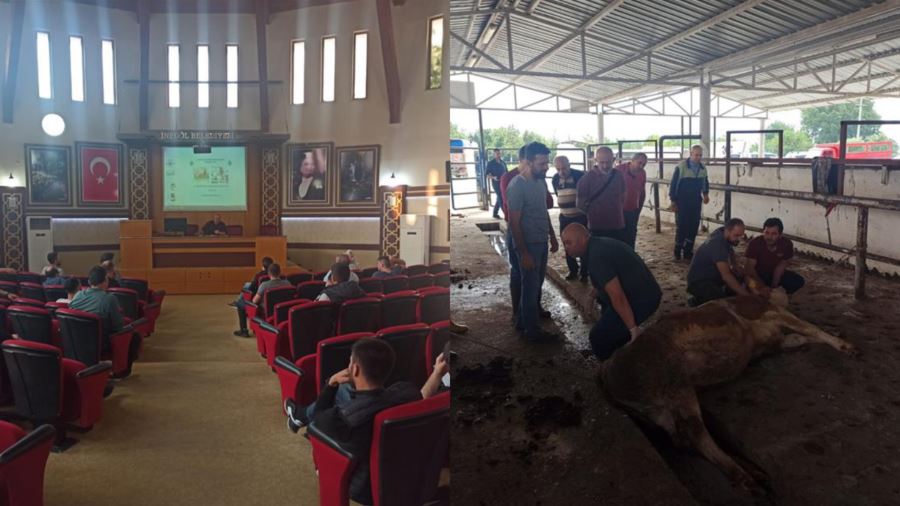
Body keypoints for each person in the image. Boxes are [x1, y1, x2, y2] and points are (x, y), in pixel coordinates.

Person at [295, 338, 423, 505]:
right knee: (346, 389)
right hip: (405, 477)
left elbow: (317, 420)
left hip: (363, 489)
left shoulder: (344, 420)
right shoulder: (409, 393)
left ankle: (299, 416)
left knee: (326, 408)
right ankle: (299, 414)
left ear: (354, 369)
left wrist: (331, 384)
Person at [561, 223, 662, 359]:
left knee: (598, 338)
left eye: (569, 243)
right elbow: (605, 280)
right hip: (641, 291)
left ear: (583, 239)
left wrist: (633, 329)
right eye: (564, 244)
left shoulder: (596, 256)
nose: (566, 248)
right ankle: (620, 352)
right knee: (607, 318)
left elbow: (617, 296)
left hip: (642, 298)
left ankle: (613, 374)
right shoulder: (596, 245)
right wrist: (591, 297)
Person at [506, 141, 559, 342]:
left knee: (535, 284)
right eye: (542, 163)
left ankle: (522, 321)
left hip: (541, 240)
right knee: (530, 287)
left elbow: (542, 211)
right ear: (528, 162)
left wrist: (552, 236)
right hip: (528, 243)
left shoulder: (540, 182)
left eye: (547, 163)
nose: (546, 167)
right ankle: (533, 331)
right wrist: (524, 253)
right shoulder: (517, 186)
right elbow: (514, 222)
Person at [69, 265, 141, 374]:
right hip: (102, 342)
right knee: (134, 336)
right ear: (105, 281)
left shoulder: (77, 296)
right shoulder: (109, 298)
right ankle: (121, 371)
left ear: (89, 281)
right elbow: (118, 326)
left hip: (77, 341)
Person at [686, 218, 751, 306]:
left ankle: (721, 294)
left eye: (741, 235)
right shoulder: (718, 245)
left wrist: (735, 265)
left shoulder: (721, 231)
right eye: (736, 235)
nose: (739, 239)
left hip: (709, 275)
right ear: (727, 231)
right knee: (722, 304)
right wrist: (747, 296)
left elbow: (730, 248)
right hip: (699, 282)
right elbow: (726, 276)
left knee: (738, 277)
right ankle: (697, 301)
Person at [744, 217, 805, 296]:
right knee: (749, 282)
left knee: (797, 281)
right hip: (757, 275)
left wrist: (774, 286)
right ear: (763, 232)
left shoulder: (786, 244)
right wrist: (763, 286)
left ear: (780, 235)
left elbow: (781, 266)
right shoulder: (755, 243)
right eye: (767, 233)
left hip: (772, 274)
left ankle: (779, 296)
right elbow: (749, 268)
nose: (769, 237)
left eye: (774, 233)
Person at [576, 147, 626, 242]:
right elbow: (580, 204)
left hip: (617, 224)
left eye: (608, 162)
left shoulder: (619, 176)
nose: (605, 165)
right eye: (601, 162)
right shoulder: (586, 179)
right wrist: (594, 213)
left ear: (614, 160)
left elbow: (623, 197)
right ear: (595, 160)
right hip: (597, 227)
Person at [670, 145, 710, 260]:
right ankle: (677, 251)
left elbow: (705, 182)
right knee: (682, 226)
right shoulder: (681, 167)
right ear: (691, 153)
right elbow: (674, 184)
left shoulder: (703, 168)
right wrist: (673, 200)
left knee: (693, 226)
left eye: (700, 155)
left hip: (696, 201)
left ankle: (688, 251)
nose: (698, 157)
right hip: (682, 201)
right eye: (696, 155)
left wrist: (706, 194)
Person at [551, 155, 587, 281]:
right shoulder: (555, 179)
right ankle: (573, 270)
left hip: (581, 217)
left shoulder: (580, 176)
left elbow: (586, 195)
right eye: (558, 169)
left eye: (564, 168)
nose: (561, 172)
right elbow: (557, 194)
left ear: (569, 165)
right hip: (565, 217)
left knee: (583, 243)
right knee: (567, 244)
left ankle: (584, 272)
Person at [233, 263, 290, 337]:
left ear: (269, 273)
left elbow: (254, 301)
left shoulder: (264, 285)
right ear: (280, 272)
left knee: (240, 304)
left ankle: (243, 331)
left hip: (266, 310)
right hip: (282, 310)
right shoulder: (287, 283)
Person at [615, 153, 648, 250]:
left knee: (631, 235)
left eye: (644, 164)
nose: (641, 166)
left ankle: (629, 257)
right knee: (618, 235)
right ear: (632, 161)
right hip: (618, 210)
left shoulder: (642, 173)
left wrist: (639, 209)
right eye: (640, 163)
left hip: (633, 210)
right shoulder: (618, 170)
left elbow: (642, 191)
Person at [486, 149, 508, 219]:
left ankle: (495, 213)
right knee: (501, 198)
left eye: (499, 153)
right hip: (496, 183)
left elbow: (507, 172)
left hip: (503, 183)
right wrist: (493, 177)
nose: (498, 155)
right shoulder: (490, 163)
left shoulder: (503, 163)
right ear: (494, 154)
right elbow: (487, 175)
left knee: (499, 198)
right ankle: (506, 214)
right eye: (497, 154)